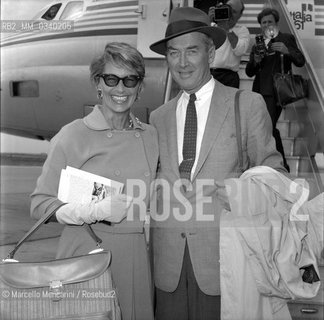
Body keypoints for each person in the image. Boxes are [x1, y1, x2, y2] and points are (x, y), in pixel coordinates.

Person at [149, 7, 287, 320]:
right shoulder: (157, 118)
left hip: (226, 262)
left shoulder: (246, 105)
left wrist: (240, 194)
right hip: (167, 266)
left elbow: (275, 175)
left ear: (210, 54)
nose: (182, 63)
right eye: (173, 53)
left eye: (191, 51)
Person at [30, 42, 159, 320]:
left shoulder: (151, 135)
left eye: (130, 80)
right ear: (97, 83)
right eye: (111, 79)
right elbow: (40, 205)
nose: (120, 89)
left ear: (140, 86)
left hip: (136, 257)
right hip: (87, 254)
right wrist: (93, 211)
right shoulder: (73, 135)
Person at [245, 8, 305, 172]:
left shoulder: (286, 39)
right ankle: (278, 164)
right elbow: (249, 72)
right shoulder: (258, 42)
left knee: (268, 127)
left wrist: (287, 51)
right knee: (266, 128)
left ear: (276, 23)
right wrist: (256, 61)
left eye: (269, 21)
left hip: (277, 91)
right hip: (258, 91)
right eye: (263, 23)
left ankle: (280, 165)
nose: (266, 25)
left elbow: (300, 61)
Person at [197, 0, 250, 88]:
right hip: (207, 74)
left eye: (233, 11)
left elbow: (240, 50)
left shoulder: (242, 30)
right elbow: (197, 44)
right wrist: (207, 20)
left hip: (228, 77)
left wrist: (227, 30)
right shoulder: (211, 26)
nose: (229, 13)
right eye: (227, 8)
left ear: (240, 15)